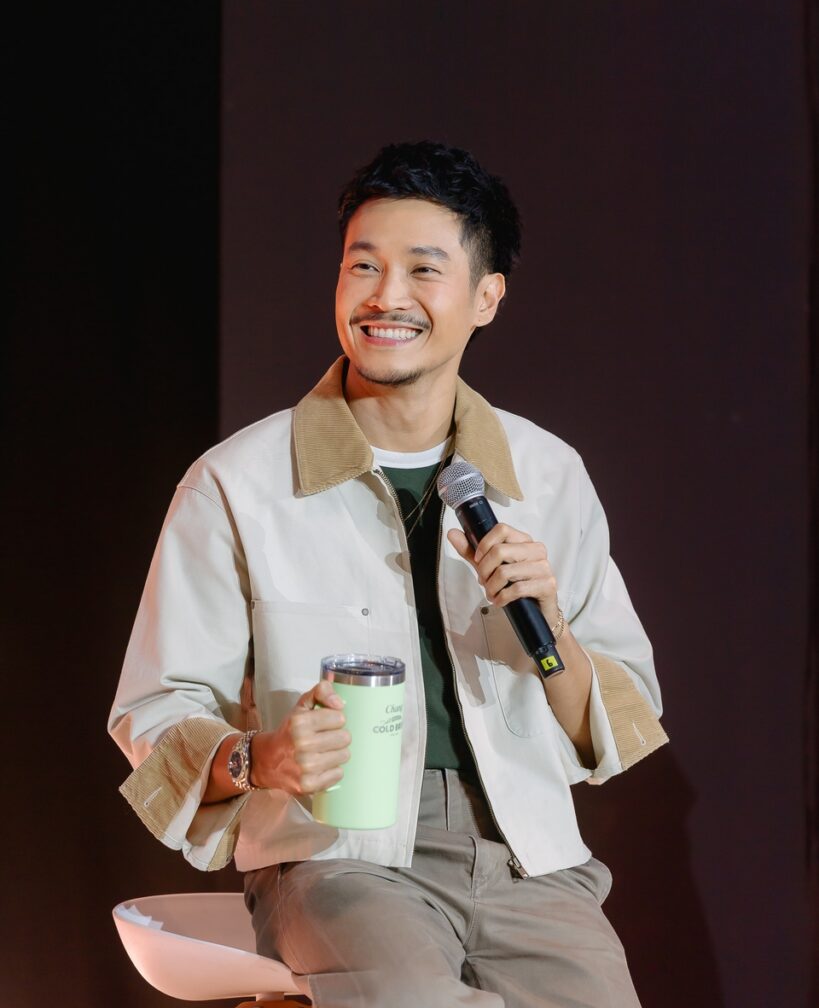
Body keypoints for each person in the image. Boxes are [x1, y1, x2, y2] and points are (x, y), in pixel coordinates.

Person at [109, 141, 668, 1007]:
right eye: (362, 266)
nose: (384, 296)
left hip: (528, 855)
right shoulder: (237, 482)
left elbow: (619, 713)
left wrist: (550, 625)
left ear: (485, 298)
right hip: (339, 859)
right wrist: (261, 758)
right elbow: (156, 706)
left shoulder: (546, 475)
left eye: (422, 270)